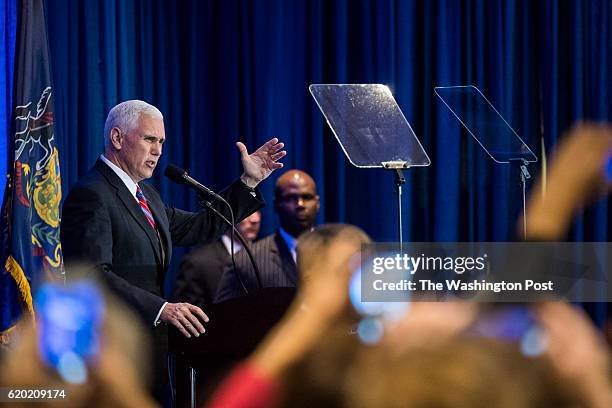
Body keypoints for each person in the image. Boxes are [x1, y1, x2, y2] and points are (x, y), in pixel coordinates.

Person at [60, 100, 285, 402]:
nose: (158, 151)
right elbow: (91, 276)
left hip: (149, 353)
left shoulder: (146, 195)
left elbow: (199, 226)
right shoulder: (91, 195)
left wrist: (249, 181)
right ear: (117, 138)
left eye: (162, 142)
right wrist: (161, 308)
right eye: (149, 139)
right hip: (113, 354)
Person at [214, 169, 320, 302]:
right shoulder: (246, 261)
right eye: (290, 198)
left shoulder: (340, 255)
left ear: (317, 203)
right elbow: (224, 315)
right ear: (276, 204)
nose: (300, 205)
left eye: (307, 197)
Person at [173, 211, 262, 307]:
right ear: (226, 217)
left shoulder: (266, 257)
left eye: (257, 211)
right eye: (248, 211)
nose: (255, 219)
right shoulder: (197, 262)